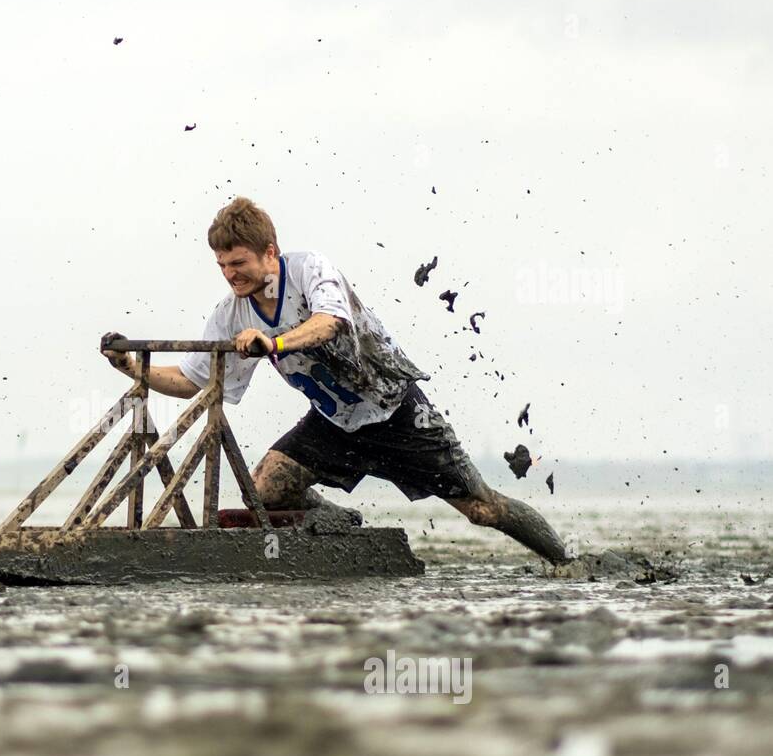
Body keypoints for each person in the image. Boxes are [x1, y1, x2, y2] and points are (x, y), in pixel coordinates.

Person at [102, 196, 571, 565]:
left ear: (270, 252)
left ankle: (567, 561)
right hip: (334, 422)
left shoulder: (309, 270)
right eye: (222, 265)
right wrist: (133, 367)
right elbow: (195, 382)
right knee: (265, 489)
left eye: (239, 263)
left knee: (482, 510)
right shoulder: (231, 313)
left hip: (395, 409)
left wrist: (276, 345)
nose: (230, 275)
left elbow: (331, 323)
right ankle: (338, 524)